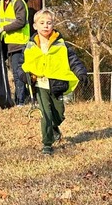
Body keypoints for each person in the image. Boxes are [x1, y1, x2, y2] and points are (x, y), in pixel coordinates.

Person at [21, 9, 89, 155]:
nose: (46, 26)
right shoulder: (30, 45)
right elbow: (22, 63)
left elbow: (73, 60)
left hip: (57, 84)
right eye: (42, 23)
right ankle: (47, 145)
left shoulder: (61, 44)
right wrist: (22, 74)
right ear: (35, 26)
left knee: (59, 114)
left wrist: (81, 73)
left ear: (53, 25)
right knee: (45, 114)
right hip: (39, 85)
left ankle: (54, 127)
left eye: (49, 23)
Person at [0, 0, 31, 105]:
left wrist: (4, 29)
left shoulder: (18, 1)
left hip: (20, 43)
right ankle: (24, 98)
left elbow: (21, 21)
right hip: (7, 43)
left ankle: (20, 101)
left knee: (17, 73)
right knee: (15, 73)